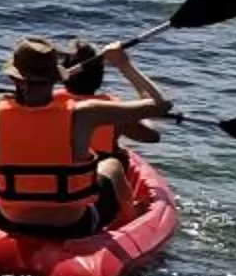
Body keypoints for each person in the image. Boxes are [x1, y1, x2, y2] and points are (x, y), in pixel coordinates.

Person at [0, 34, 171, 234]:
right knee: (112, 165)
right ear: (55, 77)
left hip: (8, 221)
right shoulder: (85, 113)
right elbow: (161, 106)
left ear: (14, 78)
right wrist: (124, 64)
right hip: (73, 226)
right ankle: (130, 220)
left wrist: (1, 103)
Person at [55, 36, 167, 216]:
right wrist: (125, 66)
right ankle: (129, 212)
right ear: (100, 78)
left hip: (57, 186)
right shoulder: (111, 111)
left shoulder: (48, 104)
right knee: (114, 162)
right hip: (95, 195)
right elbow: (152, 136)